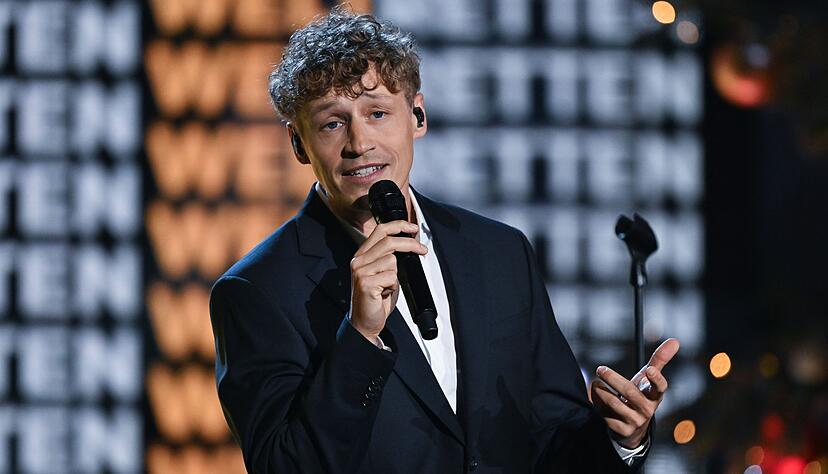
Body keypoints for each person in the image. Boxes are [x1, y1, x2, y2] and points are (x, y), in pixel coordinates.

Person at [209, 7, 680, 474]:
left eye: (378, 113)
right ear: (298, 144)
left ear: (417, 115)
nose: (359, 143)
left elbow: (552, 441)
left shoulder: (499, 252)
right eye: (333, 123)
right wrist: (360, 336)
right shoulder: (258, 291)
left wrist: (621, 437)